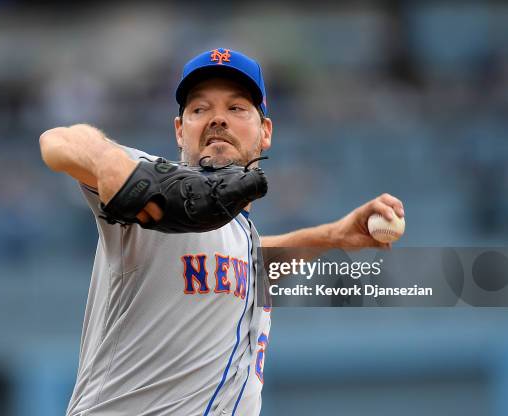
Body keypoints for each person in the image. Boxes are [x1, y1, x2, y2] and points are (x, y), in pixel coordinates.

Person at [39, 48, 405, 416]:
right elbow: (59, 141)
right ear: (180, 131)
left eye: (236, 108)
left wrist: (332, 235)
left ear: (266, 132)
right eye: (199, 109)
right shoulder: (153, 186)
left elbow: (249, 262)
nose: (217, 119)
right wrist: (114, 167)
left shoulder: (239, 234)